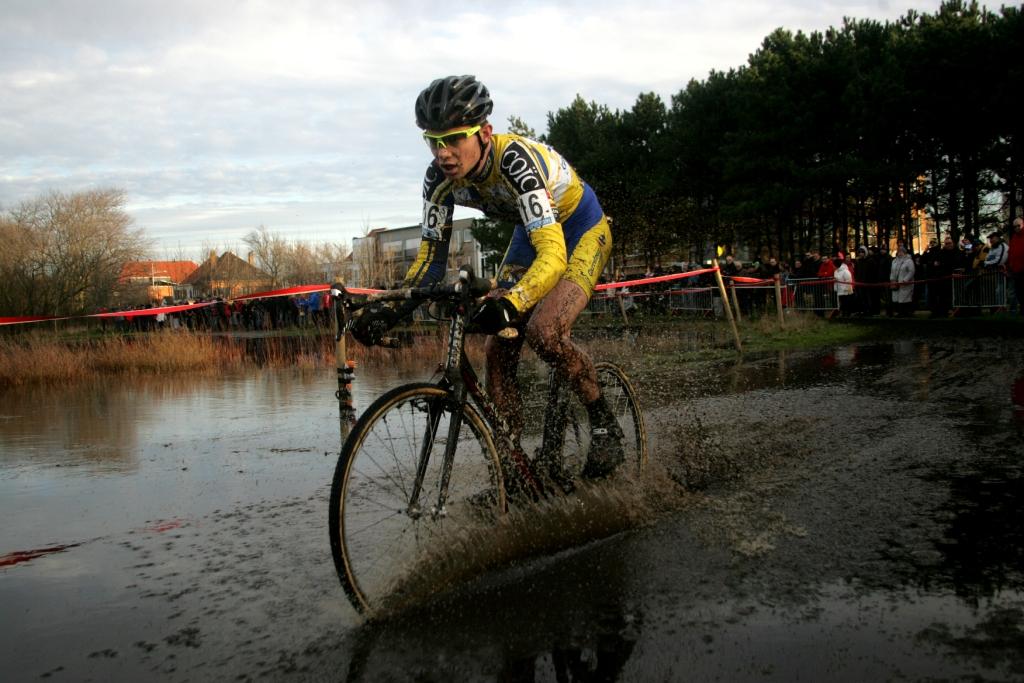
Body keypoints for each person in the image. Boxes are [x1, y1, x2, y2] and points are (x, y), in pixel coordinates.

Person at [351, 75, 623, 478]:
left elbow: (553, 256)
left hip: (580, 230)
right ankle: (511, 469)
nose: (443, 153)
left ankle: (604, 422)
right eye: (433, 140)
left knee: (545, 332)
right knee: (499, 351)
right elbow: (429, 264)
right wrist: (391, 308)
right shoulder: (437, 181)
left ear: (484, 133)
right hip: (531, 233)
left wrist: (511, 302)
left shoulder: (514, 162)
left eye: (455, 138)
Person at [890, 244, 916, 317]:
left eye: (902, 251)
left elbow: (911, 271)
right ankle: (899, 312)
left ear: (905, 252)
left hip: (905, 284)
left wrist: (905, 280)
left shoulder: (909, 261)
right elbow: (892, 271)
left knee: (905, 298)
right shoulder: (894, 261)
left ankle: (906, 313)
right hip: (896, 283)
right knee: (897, 298)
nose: (900, 253)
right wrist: (892, 280)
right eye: (899, 251)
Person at [1009, 217, 1024, 314]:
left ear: (1023, 224)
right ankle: (1022, 308)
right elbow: (1011, 252)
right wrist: (1010, 265)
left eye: (1018, 226)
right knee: (1019, 291)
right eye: (1015, 226)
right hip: (1016, 269)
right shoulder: (1014, 237)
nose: (1017, 228)